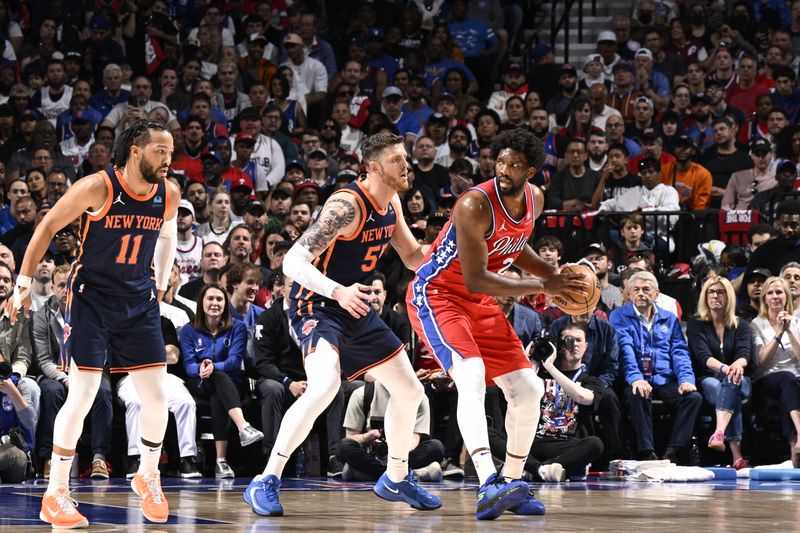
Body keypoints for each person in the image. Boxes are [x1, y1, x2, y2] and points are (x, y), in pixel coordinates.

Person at [244, 132, 442, 517]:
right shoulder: (346, 206)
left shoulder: (392, 203)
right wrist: (337, 292)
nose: (406, 165)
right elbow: (292, 264)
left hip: (353, 304)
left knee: (409, 390)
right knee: (324, 386)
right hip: (316, 302)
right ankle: (265, 479)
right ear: (373, 167)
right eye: (397, 159)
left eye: (405, 157)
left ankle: (397, 477)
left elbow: (413, 256)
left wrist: (450, 250)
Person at [3, 119, 179, 527]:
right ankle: (56, 493)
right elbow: (47, 226)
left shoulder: (168, 192)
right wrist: (24, 284)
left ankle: (147, 474)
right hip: (92, 300)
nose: (168, 160)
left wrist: (163, 279)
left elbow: (167, 234)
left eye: (170, 153)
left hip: (139, 299)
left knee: (157, 397)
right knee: (82, 395)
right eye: (160, 152)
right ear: (136, 151)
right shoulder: (99, 187)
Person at [407, 129, 587, 519]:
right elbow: (476, 278)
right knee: (470, 375)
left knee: (528, 387)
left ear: (533, 170)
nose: (504, 170)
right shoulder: (473, 204)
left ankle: (511, 482)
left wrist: (552, 274)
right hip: (438, 296)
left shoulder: (534, 200)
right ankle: (487, 483)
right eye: (500, 162)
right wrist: (544, 284)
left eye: (515, 165)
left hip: (479, 303)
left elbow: (514, 246)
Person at [489, 323, 604, 481]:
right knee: (487, 432)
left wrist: (550, 368)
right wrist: (528, 362)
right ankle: (543, 470)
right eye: (569, 340)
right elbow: (515, 391)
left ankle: (531, 469)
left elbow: (583, 398)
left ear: (586, 346)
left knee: (595, 444)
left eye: (579, 340)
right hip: (530, 441)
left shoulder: (590, 381)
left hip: (565, 445)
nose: (575, 345)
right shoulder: (538, 375)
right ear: (559, 346)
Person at [609, 271, 702, 463]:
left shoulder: (669, 318)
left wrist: (686, 380)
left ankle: (674, 450)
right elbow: (624, 350)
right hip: (636, 378)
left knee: (693, 397)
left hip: (664, 379)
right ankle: (646, 451)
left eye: (646, 289)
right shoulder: (619, 316)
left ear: (656, 293)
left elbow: (679, 352)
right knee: (638, 392)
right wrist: (636, 378)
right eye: (636, 290)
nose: (641, 294)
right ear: (628, 294)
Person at [180, 283, 263, 478]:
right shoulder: (188, 330)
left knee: (219, 394)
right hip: (200, 382)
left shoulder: (238, 328)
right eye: (210, 299)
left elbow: (234, 361)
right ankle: (243, 427)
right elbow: (188, 365)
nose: (215, 303)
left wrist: (213, 367)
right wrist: (201, 369)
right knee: (216, 380)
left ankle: (221, 461)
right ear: (201, 303)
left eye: (219, 299)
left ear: (226, 304)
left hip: (232, 383)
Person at [687, 277, 752, 469]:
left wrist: (736, 366)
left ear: (728, 296)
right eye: (711, 292)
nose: (715, 295)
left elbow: (744, 354)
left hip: (739, 377)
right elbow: (702, 356)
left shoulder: (741, 325)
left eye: (720, 292)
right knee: (724, 389)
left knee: (732, 383)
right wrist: (726, 369)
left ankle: (719, 432)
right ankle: (737, 456)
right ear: (705, 296)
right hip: (709, 378)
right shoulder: (695, 324)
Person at [336, 378, 445, 481]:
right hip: (371, 455)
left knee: (436, 447)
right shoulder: (362, 394)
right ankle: (411, 474)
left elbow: (415, 437)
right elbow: (351, 437)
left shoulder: (419, 397)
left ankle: (366, 474)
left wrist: (397, 452)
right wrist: (367, 436)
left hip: (404, 455)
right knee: (344, 447)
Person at [749, 276, 800, 468]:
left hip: (795, 378)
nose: (775, 296)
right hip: (768, 379)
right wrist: (779, 333)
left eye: (779, 292)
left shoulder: (796, 322)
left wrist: (789, 331)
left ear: (787, 296)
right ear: (764, 299)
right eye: (770, 293)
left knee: (791, 387)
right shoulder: (757, 324)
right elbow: (762, 361)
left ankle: (795, 452)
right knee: (788, 380)